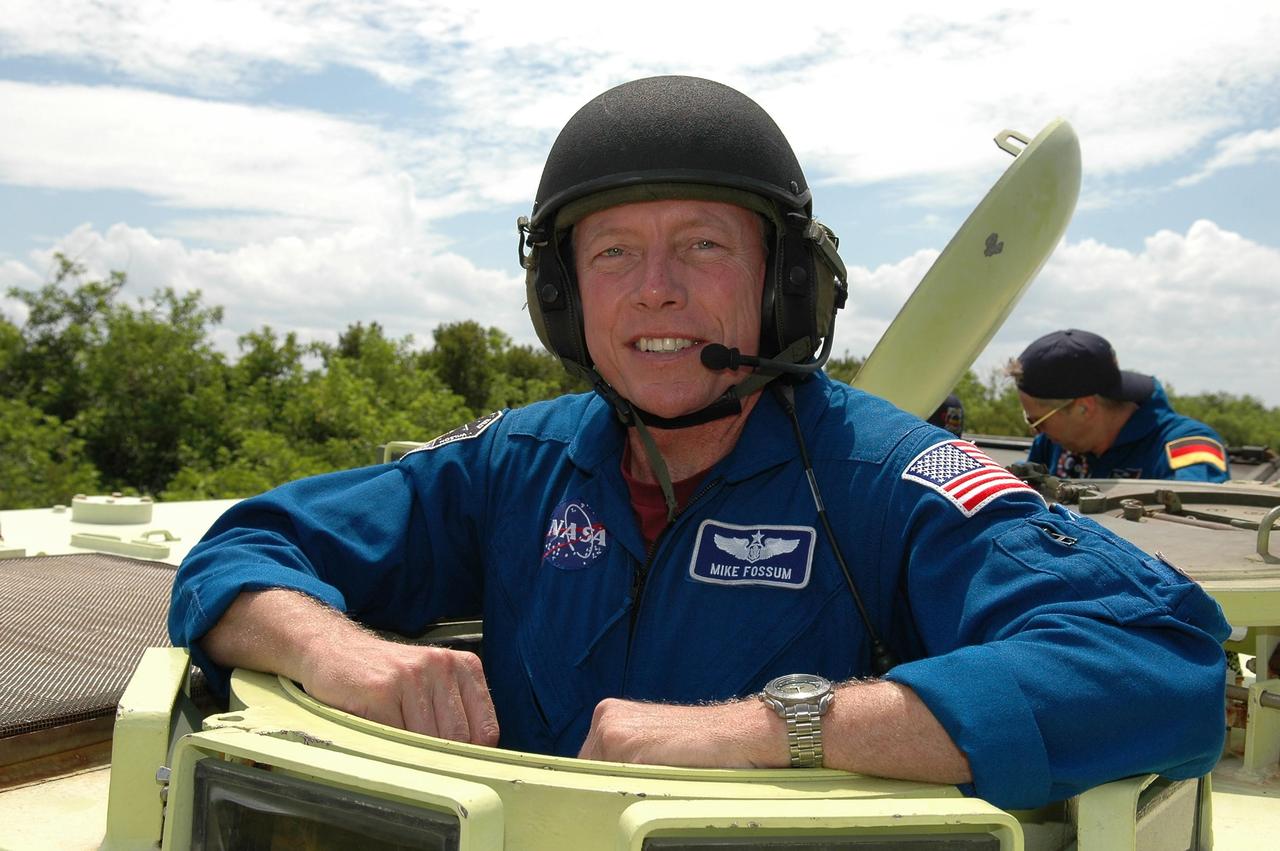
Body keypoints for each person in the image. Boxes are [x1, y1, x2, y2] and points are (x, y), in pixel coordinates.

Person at [169, 76, 1230, 810]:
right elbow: (241, 553)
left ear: (783, 285)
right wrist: (338, 648)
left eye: (703, 245)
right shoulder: (512, 463)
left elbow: (1162, 657)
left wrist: (771, 728)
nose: (656, 287)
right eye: (614, 250)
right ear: (559, 296)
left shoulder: (880, 477)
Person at [1009, 329, 1231, 481]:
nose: (1036, 431)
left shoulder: (1189, 449)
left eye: (1038, 421)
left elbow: (1196, 537)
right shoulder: (1052, 445)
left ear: (1084, 407)